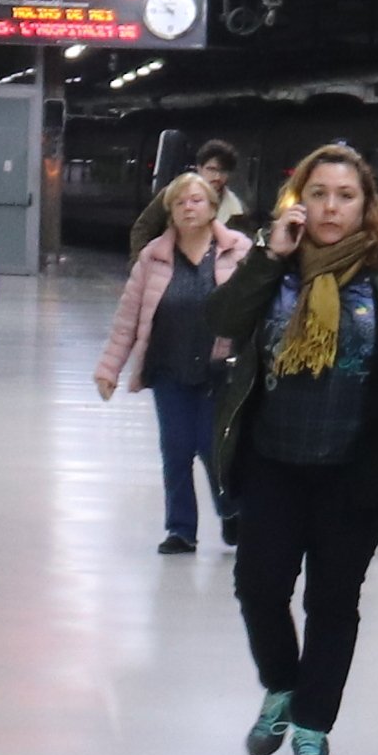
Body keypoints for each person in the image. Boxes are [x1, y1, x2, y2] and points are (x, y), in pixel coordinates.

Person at [204, 144, 378, 755]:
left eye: (345, 196)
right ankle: (282, 686)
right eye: (318, 193)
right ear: (300, 200)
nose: (331, 207)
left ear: (366, 204)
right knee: (258, 585)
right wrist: (270, 256)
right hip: (273, 458)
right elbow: (223, 320)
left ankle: (313, 726)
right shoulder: (275, 262)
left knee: (333, 598)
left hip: (358, 465)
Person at [96, 169, 253, 554]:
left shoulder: (239, 251)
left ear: (213, 207)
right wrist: (108, 370)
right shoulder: (153, 258)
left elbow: (258, 307)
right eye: (180, 203)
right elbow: (128, 317)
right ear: (170, 211)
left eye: (196, 201)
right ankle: (181, 529)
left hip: (221, 370)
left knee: (213, 448)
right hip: (169, 367)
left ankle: (232, 512)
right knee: (176, 448)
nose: (188, 208)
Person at [130, 139, 243, 256]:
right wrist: (140, 263)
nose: (217, 176)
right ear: (199, 168)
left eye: (223, 171)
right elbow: (143, 228)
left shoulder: (236, 208)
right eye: (211, 169)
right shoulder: (174, 193)